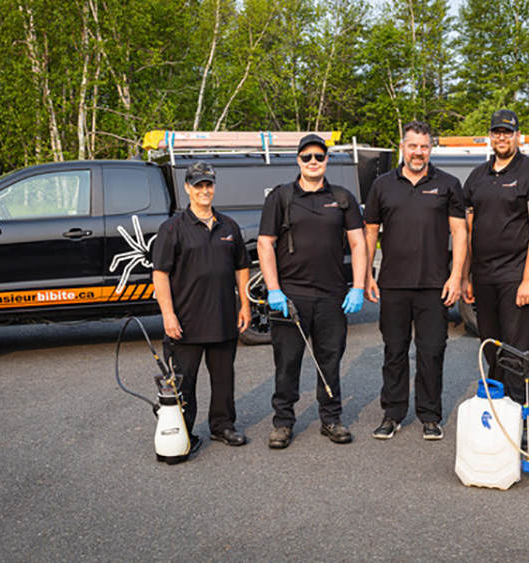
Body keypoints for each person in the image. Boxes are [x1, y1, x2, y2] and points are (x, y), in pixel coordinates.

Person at [257, 134, 368, 449]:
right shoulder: (280, 197)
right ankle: (282, 423)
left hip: (333, 295)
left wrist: (357, 286)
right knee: (287, 362)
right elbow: (265, 243)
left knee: (330, 360)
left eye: (319, 156)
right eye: (307, 157)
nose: (313, 162)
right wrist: (274, 290)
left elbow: (359, 243)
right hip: (291, 296)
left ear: (326, 160)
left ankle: (331, 419)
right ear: (298, 160)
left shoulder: (342, 197)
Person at [363, 121, 468, 441]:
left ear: (430, 149)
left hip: (435, 284)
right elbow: (370, 233)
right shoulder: (382, 185)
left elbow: (460, 232)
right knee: (394, 350)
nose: (418, 152)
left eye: (424, 146)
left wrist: (457, 276)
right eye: (413, 146)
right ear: (402, 147)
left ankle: (429, 415)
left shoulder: (448, 184)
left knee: (432, 351)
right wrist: (366, 274)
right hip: (393, 284)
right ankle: (392, 414)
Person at [461, 109, 529, 441]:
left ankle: (523, 425)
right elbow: (471, 228)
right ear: (491, 135)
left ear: (518, 136)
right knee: (492, 349)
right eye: (497, 132)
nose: (502, 138)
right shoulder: (477, 176)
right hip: (484, 278)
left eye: (508, 132)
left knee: (518, 352)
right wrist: (468, 275)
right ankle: (498, 421)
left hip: (517, 278)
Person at [152, 160, 252, 453]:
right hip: (186, 322)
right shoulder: (172, 229)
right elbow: (160, 275)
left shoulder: (229, 226)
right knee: (184, 383)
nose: (205, 190)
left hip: (223, 319)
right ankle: (182, 432)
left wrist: (244, 305)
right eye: (199, 186)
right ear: (188, 189)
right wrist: (168, 315)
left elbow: (242, 267)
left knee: (223, 379)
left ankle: (223, 426)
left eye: (209, 185)